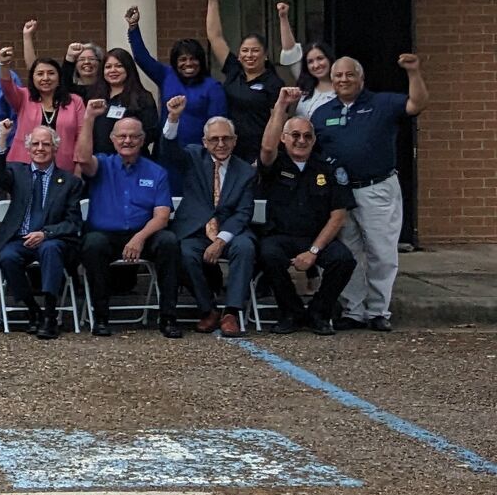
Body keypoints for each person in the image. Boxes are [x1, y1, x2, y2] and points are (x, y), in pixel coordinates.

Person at [310, 53, 427, 330]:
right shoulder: (322, 112)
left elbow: (417, 103)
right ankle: (354, 310)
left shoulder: (382, 103)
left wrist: (413, 72)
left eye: (350, 74)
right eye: (338, 75)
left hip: (377, 188)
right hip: (340, 194)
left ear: (361, 78)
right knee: (349, 253)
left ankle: (378, 311)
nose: (343, 80)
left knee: (381, 252)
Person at [74, 98, 183, 338]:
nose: (127, 141)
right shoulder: (101, 164)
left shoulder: (156, 172)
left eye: (134, 136)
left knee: (168, 242)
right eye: (122, 136)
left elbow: (162, 216)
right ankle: (101, 318)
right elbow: (82, 159)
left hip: (144, 234)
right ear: (112, 140)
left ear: (143, 140)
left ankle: (168, 318)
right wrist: (89, 118)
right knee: (92, 244)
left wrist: (139, 238)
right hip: (106, 235)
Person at [256, 91, 358, 335]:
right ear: (284, 138)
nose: (301, 140)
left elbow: (338, 215)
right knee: (267, 255)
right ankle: (290, 312)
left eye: (307, 136)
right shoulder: (275, 164)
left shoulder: (329, 169)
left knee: (343, 260)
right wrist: (281, 105)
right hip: (280, 235)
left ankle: (319, 313)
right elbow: (267, 147)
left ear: (314, 140)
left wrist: (313, 252)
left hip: (315, 238)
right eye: (295, 135)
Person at [0, 123, 85, 339]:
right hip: (19, 239)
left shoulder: (70, 182)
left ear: (55, 149)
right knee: (7, 257)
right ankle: (33, 310)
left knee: (50, 250)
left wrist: (46, 233)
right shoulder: (16, 172)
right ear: (28, 148)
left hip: (52, 239)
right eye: (36, 144)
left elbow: (73, 222)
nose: (40, 148)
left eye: (46, 144)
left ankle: (50, 316)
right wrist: (3, 137)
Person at [169, 113, 258, 336]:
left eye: (226, 139)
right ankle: (208, 310)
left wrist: (220, 240)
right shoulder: (193, 156)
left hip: (230, 231)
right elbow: (168, 150)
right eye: (214, 139)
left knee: (245, 247)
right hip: (196, 230)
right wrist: (172, 119)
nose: (221, 144)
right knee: (184, 252)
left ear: (235, 141)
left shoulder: (246, 171)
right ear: (204, 142)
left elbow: (243, 212)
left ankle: (231, 312)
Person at [127, 6, 225, 152]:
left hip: (198, 155)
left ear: (201, 61)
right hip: (166, 151)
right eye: (182, 59)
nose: (188, 64)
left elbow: (218, 125)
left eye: (193, 59)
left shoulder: (212, 87)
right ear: (175, 62)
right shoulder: (167, 75)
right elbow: (142, 58)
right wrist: (133, 28)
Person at [203, 0, 284, 158]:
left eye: (255, 50)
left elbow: (277, 123)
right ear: (239, 54)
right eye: (245, 50)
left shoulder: (273, 83)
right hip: (230, 151)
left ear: (266, 55)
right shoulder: (234, 70)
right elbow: (214, 36)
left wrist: (266, 155)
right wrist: (212, 0)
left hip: (258, 153)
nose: (249, 55)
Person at [0, 46, 84, 172]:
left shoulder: (75, 101)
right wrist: (4, 64)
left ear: (59, 78)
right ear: (33, 78)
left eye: (51, 73)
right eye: (40, 74)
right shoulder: (24, 97)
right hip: (23, 167)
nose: (45, 78)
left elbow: (81, 136)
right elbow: (6, 85)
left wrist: (79, 167)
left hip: (64, 168)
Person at [276, 1, 338, 120]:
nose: (316, 65)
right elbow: (290, 51)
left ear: (329, 59)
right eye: (310, 61)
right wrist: (283, 17)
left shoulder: (342, 87)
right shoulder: (306, 86)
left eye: (320, 58)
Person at [96, 46, 163, 151]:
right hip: (100, 160)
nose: (113, 70)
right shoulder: (95, 96)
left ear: (128, 68)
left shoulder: (143, 97)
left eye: (119, 66)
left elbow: (151, 132)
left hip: (132, 160)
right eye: (108, 67)